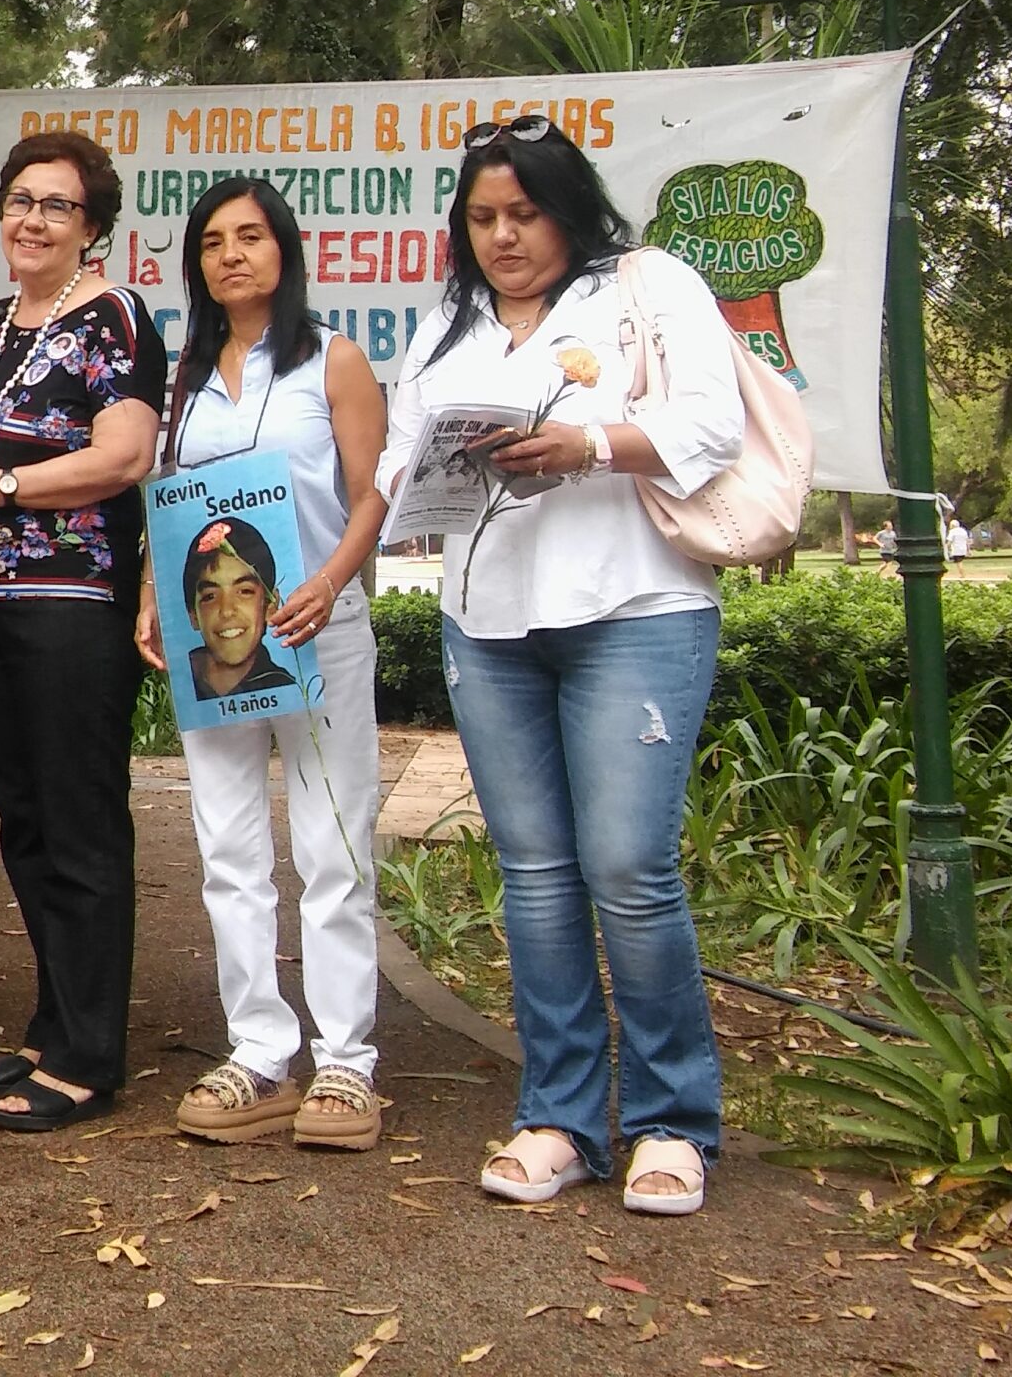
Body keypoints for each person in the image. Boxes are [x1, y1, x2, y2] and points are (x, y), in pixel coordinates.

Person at [376, 115, 745, 1219]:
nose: (502, 237)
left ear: (567, 209)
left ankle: (673, 1123)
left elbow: (711, 425)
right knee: (534, 878)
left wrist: (588, 444)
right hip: (487, 621)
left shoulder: (645, 287)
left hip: (633, 605)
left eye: (523, 214)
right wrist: (413, 493)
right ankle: (560, 1119)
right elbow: (401, 453)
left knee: (629, 868)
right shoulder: (447, 322)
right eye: (481, 219)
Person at [0, 131, 165, 1135]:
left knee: (81, 825)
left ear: (91, 225)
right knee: (25, 825)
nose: (29, 219)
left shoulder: (114, 317)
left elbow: (124, 453)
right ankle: (53, 1021)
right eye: (17, 200)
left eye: (55, 205)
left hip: (72, 607)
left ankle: (88, 1057)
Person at [141, 176, 391, 1152]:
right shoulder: (188, 375)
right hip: (218, 642)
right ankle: (258, 1054)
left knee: (333, 852)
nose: (231, 254)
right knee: (230, 853)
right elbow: (174, 498)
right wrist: (155, 601)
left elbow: (371, 494)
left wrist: (329, 581)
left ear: (283, 249)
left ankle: (345, 1064)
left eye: (250, 236)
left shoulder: (333, 360)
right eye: (211, 242)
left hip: (313, 629)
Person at [179, 518, 299, 701]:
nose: (227, 611)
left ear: (271, 604)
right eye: (210, 596)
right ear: (193, 615)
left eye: (245, 591)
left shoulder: (286, 688)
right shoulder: (181, 682)